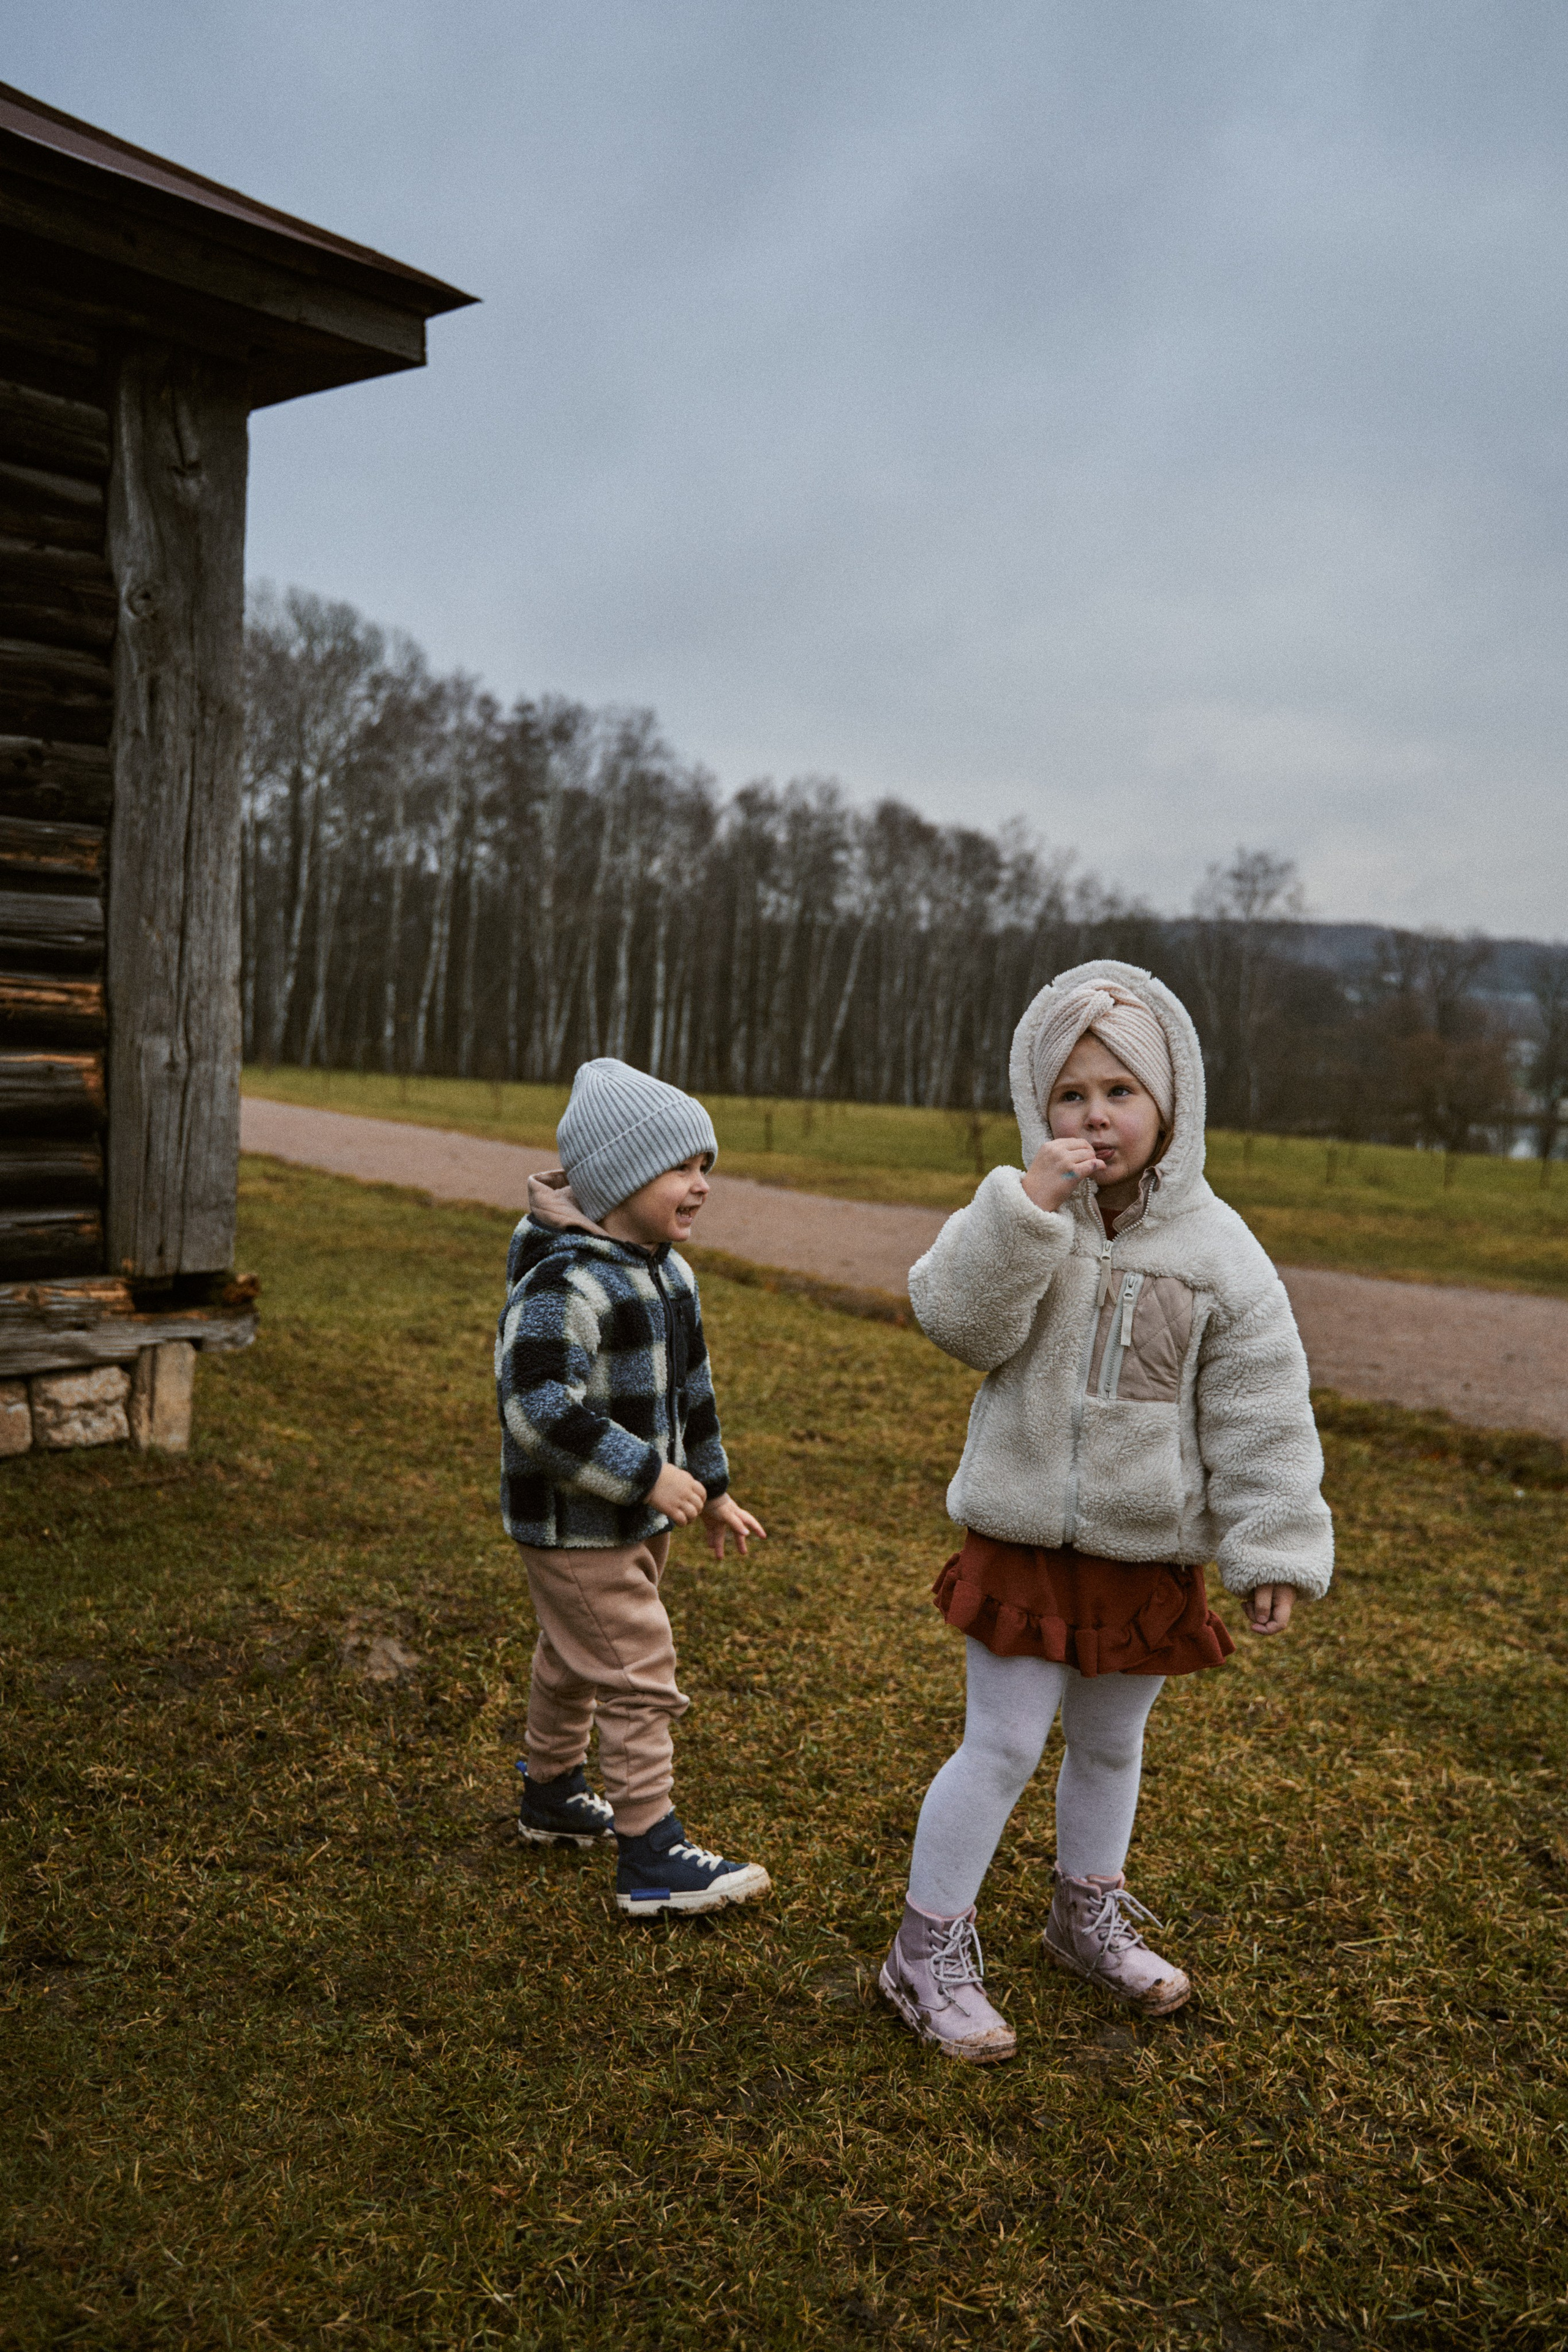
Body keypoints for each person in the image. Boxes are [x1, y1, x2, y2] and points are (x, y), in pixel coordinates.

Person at [880, 961, 1332, 2061]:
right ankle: (923, 1953)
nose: (1096, 1116)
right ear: (1042, 1107)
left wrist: (1270, 1543)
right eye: (1071, 1094)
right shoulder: (1027, 1215)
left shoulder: (1221, 1254)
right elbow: (955, 1320)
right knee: (1000, 1746)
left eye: (1121, 1092)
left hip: (1145, 1549)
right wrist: (1024, 1211)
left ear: (1173, 1102)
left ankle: (1085, 1914)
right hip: (1025, 1540)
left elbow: (1261, 1410)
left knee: (1111, 1749)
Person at [494, 1057, 771, 1918]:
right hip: (574, 1525)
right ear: (618, 1175)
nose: (701, 1187)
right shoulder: (565, 1280)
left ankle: (551, 1793)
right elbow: (536, 1408)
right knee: (636, 1669)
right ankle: (651, 1852)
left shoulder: (667, 1271)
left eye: (705, 1169)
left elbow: (693, 1394)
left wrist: (712, 1489)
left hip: (634, 1523)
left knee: (576, 1658)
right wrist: (648, 1476)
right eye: (682, 1169)